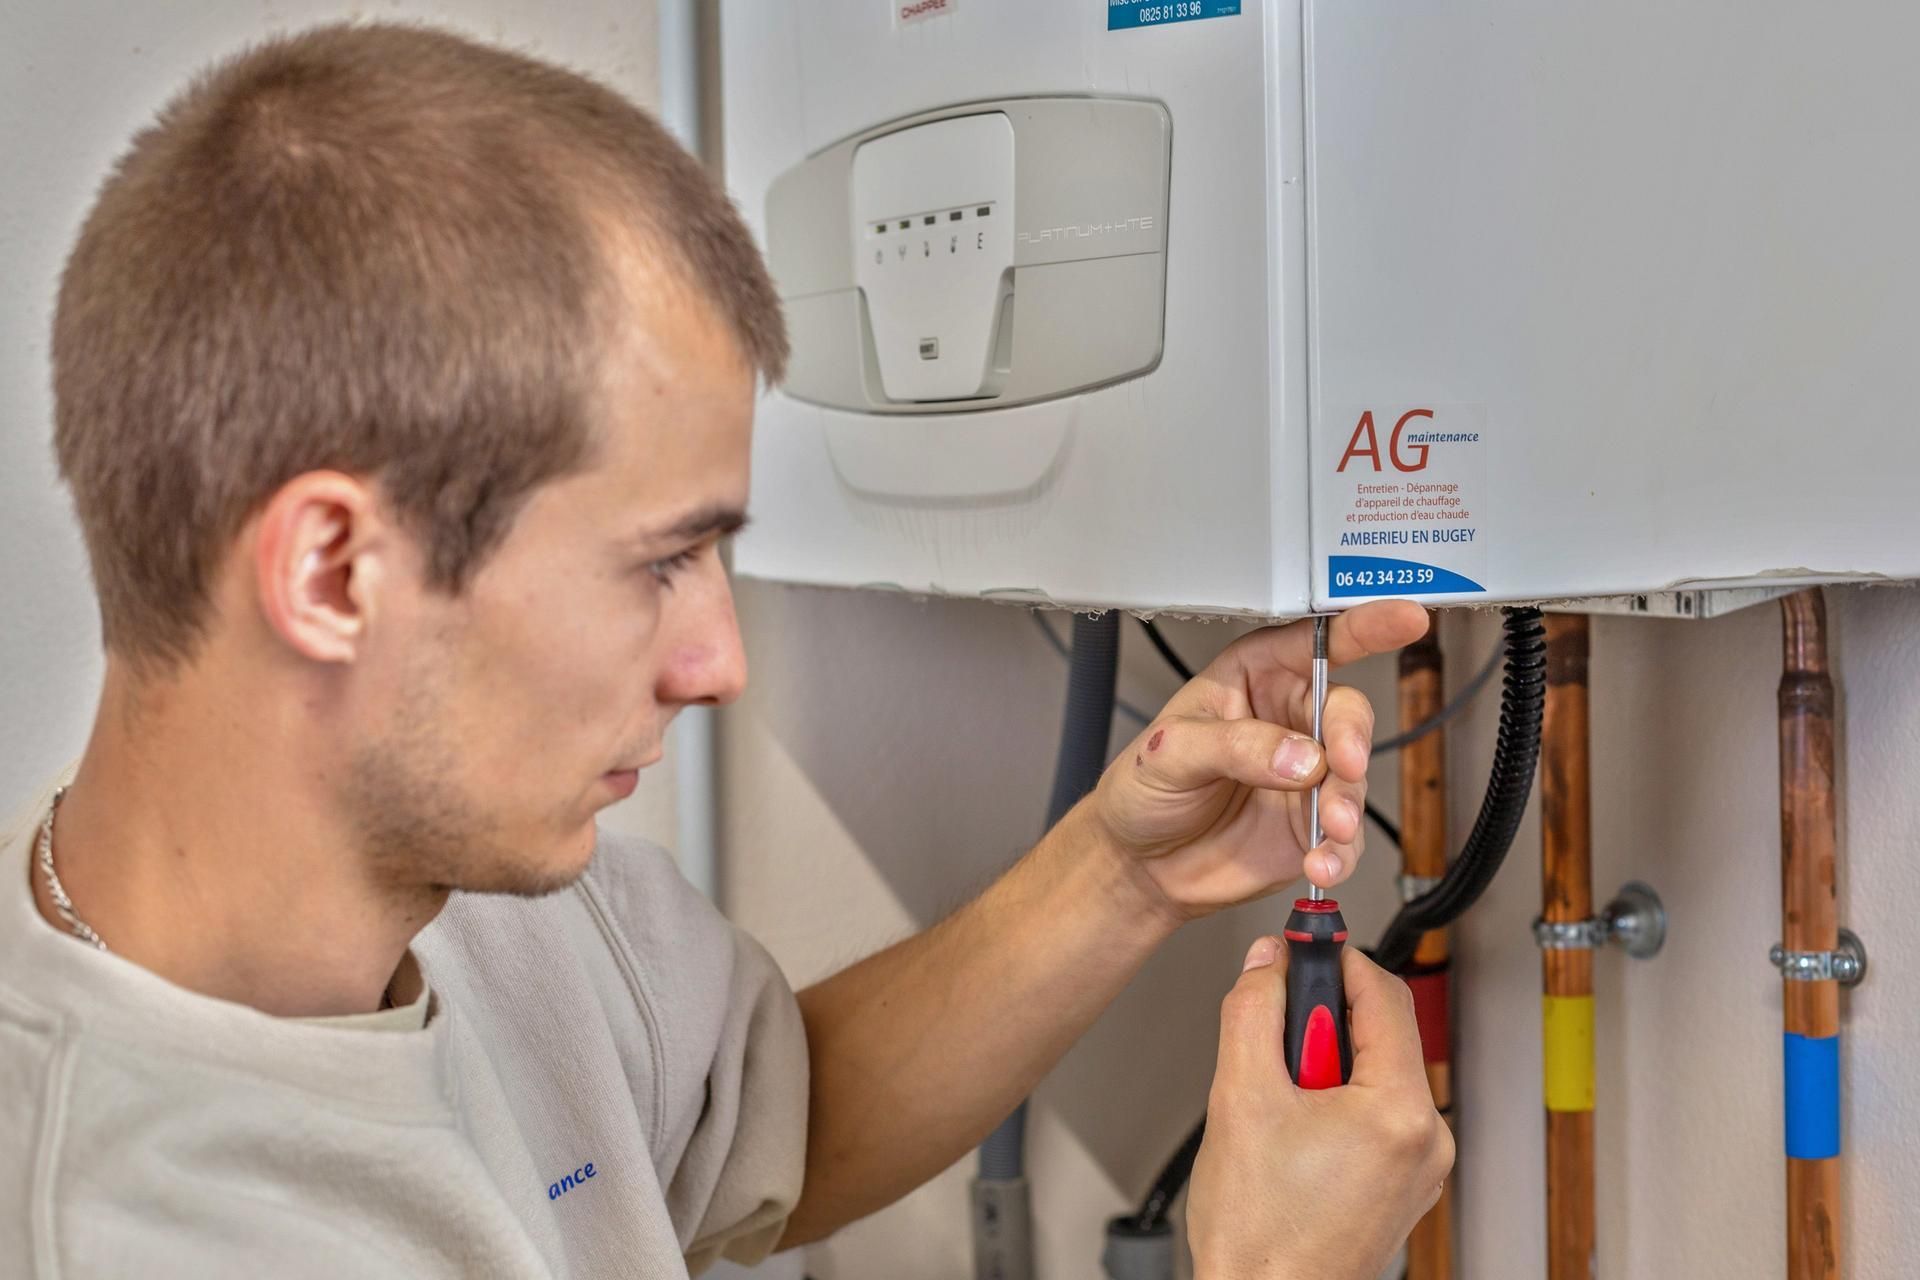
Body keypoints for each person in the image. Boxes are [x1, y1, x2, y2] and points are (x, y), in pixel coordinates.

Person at [0, 22, 1452, 1280]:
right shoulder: (136, 1227)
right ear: (331, 571)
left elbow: (777, 1119)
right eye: (660, 560)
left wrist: (1123, 866)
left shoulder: (476, 880)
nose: (717, 662)